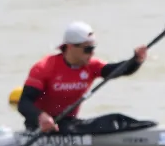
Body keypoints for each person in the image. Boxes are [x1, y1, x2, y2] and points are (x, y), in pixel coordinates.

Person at [15, 21, 149, 133]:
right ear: (70, 47)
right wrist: (41, 118)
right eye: (88, 49)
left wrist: (136, 60)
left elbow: (119, 70)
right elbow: (24, 103)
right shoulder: (44, 68)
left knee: (116, 119)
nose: (92, 53)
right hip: (41, 127)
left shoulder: (91, 66)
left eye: (93, 48)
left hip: (70, 124)